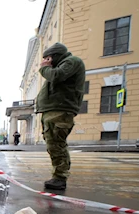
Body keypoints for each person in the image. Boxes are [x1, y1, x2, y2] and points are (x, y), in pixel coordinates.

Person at [36, 43, 85, 190]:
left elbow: (57, 76)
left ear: (54, 56)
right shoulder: (61, 65)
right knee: (53, 144)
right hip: (53, 110)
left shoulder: (72, 62)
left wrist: (44, 67)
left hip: (60, 110)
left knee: (57, 144)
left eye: (48, 58)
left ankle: (60, 177)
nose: (45, 61)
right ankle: (58, 175)